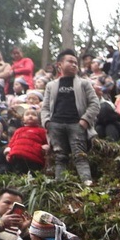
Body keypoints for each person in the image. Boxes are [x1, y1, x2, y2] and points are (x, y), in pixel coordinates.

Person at [41, 49, 99, 185]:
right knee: (60, 156)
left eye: (76, 63)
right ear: (59, 65)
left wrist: (85, 120)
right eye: (70, 62)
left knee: (80, 155)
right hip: (56, 124)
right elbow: (45, 107)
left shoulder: (84, 83)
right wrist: (47, 122)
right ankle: (59, 183)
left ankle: (87, 182)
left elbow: (95, 103)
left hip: (76, 124)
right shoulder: (51, 85)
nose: (74, 65)